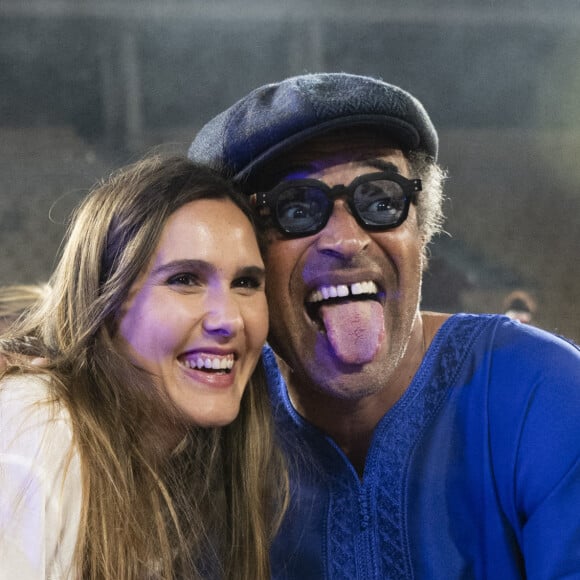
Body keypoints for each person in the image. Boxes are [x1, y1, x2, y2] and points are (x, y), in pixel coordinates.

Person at [189, 73, 580, 578]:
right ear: (241, 253)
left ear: (421, 229)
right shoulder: (202, 423)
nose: (348, 240)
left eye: (380, 201)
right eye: (296, 207)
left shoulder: (545, 392)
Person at [0, 155, 287, 580]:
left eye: (245, 283)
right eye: (185, 279)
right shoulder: (38, 425)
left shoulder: (185, 469)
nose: (229, 319)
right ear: (104, 301)